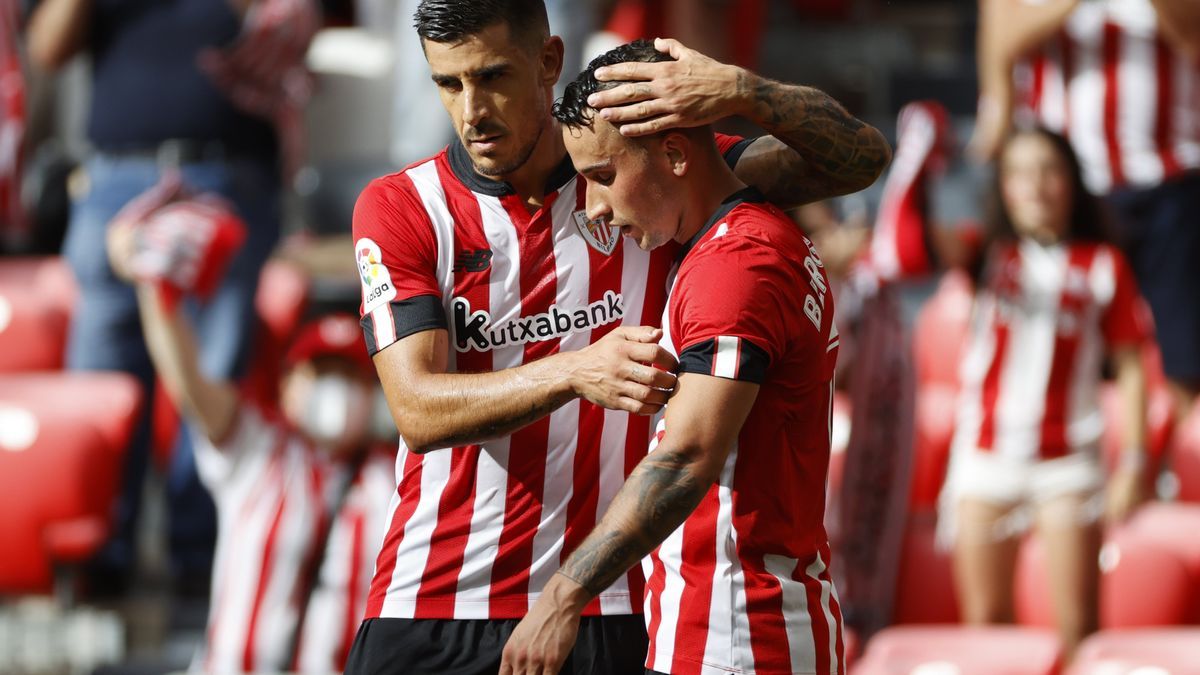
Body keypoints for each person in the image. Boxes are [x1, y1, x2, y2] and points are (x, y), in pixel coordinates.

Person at [346, 1, 890, 672]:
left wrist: (745, 90)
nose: (472, 110)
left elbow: (858, 161)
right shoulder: (404, 206)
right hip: (432, 601)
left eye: (492, 77)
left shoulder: (636, 175)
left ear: (548, 62)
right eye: (448, 84)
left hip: (606, 611)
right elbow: (418, 410)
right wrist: (573, 369)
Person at [500, 40, 846, 675]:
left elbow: (688, 456)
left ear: (675, 153)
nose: (596, 207)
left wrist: (563, 593)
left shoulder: (736, 264)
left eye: (604, 176)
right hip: (728, 626)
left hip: (742, 635)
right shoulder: (737, 239)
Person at [25, 0, 314, 591]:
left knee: (211, 380)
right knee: (102, 385)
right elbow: (46, 50)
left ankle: (199, 564)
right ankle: (97, 560)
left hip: (225, 174)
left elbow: (317, 24)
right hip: (114, 181)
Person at [107, 215, 396, 672]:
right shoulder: (259, 452)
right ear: (287, 386)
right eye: (320, 373)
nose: (334, 391)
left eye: (349, 376)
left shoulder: (397, 476)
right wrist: (151, 283)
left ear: (374, 391)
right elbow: (188, 381)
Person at [943, 126, 1153, 659]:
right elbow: (919, 238)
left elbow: (1131, 367)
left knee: (1078, 628)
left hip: (1068, 465)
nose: (1035, 185)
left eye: (1049, 169)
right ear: (1002, 187)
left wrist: (1133, 459)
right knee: (985, 627)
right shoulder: (982, 255)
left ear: (1072, 183)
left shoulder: (1104, 264)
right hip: (985, 459)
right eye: (1018, 172)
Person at [971, 0, 1200, 422]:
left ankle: (1168, 473)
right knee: (1057, 346)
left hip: (1168, 182)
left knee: (1180, 352)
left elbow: (1193, 37)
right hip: (1064, 190)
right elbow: (1004, 40)